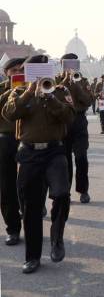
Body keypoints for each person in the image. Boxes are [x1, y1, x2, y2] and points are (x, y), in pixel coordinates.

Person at [3, 54, 75, 274]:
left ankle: (57, 238)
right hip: (29, 154)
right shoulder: (17, 92)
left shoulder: (61, 91)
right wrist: (28, 92)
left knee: (62, 194)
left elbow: (69, 117)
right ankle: (32, 256)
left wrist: (50, 97)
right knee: (30, 206)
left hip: (54, 151)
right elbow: (9, 114)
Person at [58, 53, 94, 204]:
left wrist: (77, 85)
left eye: (73, 64)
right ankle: (65, 190)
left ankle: (83, 190)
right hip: (63, 122)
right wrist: (66, 81)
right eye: (67, 64)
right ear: (62, 65)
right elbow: (56, 99)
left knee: (81, 158)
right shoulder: (55, 81)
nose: (70, 68)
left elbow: (88, 101)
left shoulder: (83, 81)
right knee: (64, 160)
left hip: (79, 120)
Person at [0, 57, 25, 246]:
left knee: (29, 185)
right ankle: (13, 228)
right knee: (7, 186)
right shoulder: (2, 89)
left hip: (29, 140)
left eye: (21, 69)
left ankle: (31, 215)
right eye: (14, 70)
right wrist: (11, 92)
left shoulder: (34, 87)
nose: (18, 73)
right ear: (6, 72)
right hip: (6, 140)